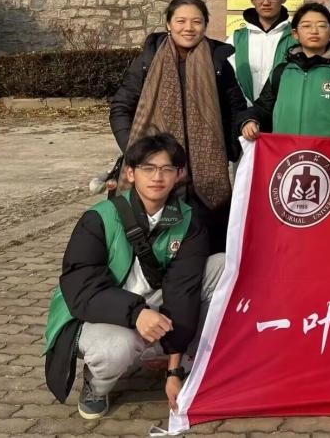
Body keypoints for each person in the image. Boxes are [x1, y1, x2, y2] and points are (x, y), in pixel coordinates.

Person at [43, 133, 225, 420]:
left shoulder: (187, 221)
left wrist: (173, 370)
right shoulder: (98, 218)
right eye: (148, 169)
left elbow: (182, 291)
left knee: (221, 267)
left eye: (167, 169)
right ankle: (96, 384)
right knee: (118, 347)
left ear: (179, 175)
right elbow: (82, 287)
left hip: (150, 301)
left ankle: (186, 357)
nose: (157, 177)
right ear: (130, 173)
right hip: (92, 314)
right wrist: (136, 313)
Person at [110, 0, 252, 253]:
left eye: (197, 21)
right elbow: (121, 108)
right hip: (160, 173)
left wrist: (228, 148)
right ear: (168, 24)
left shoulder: (219, 63)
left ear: (205, 25)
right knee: (159, 247)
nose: (189, 28)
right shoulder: (148, 61)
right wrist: (135, 152)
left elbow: (236, 109)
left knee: (208, 249)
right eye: (181, 21)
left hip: (207, 180)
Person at [239, 3, 330, 138]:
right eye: (306, 25)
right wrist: (251, 119)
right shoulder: (281, 72)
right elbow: (263, 108)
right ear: (295, 33)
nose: (314, 31)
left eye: (321, 25)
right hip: (288, 156)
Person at [227, 0, 297, 102]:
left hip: (284, 115)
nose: (266, 2)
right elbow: (229, 80)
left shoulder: (296, 37)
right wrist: (247, 113)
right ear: (252, 0)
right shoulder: (236, 39)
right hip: (246, 116)